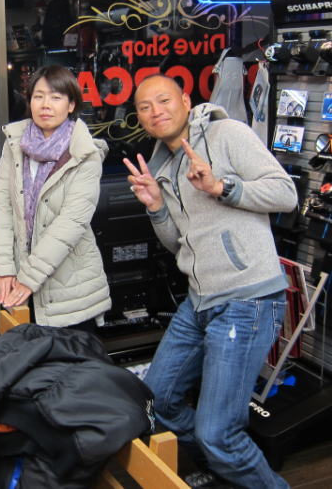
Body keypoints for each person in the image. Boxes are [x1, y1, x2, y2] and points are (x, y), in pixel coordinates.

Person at [123, 74, 297, 489]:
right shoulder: (163, 165)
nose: (155, 112)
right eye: (145, 107)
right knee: (157, 401)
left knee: (219, 432)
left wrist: (222, 186)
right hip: (199, 301)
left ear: (186, 100)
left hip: (247, 300)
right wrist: (156, 207)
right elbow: (177, 242)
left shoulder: (227, 134)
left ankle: (236, 465)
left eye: (164, 100)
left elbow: (286, 194)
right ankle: (224, 468)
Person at [0, 64, 111, 331]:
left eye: (56, 97)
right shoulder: (15, 145)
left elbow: (71, 224)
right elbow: (1, 208)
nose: (46, 105)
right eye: (38, 96)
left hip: (69, 288)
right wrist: (3, 268)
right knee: (23, 354)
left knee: (69, 357)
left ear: (71, 105)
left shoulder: (85, 154)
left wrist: (27, 278)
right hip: (19, 283)